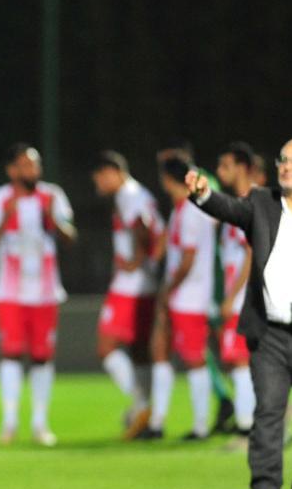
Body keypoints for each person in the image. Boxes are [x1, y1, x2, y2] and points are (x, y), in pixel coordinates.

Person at [186, 138, 292, 489]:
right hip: (269, 332)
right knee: (266, 410)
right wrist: (203, 195)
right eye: (283, 159)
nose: (287, 166)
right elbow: (228, 208)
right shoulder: (261, 203)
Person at [0, 144, 76, 446]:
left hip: (46, 291)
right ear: (12, 170)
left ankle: (40, 423)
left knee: (42, 356)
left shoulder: (53, 195)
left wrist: (52, 219)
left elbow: (71, 237)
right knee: (10, 353)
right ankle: (9, 422)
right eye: (25, 165)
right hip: (10, 290)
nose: (32, 171)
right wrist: (7, 216)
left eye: (35, 165)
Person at [91, 150, 165, 438]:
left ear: (112, 172)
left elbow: (142, 226)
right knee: (139, 352)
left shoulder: (129, 194)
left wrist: (135, 259)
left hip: (130, 285)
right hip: (144, 284)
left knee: (106, 347)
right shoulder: (138, 193)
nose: (97, 183)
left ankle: (142, 405)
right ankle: (144, 410)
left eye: (99, 176)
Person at [144, 154, 217, 440]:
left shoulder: (190, 211)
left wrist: (167, 289)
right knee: (159, 350)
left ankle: (200, 425)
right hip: (180, 295)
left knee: (194, 358)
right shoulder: (182, 210)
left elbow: (188, 259)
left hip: (190, 296)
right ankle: (157, 421)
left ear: (167, 180)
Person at [214, 142, 258, 442]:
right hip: (241, 294)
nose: (220, 172)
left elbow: (251, 254)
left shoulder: (251, 202)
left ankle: (247, 426)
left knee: (239, 359)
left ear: (241, 167)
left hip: (245, 296)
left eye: (225, 165)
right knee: (236, 359)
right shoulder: (239, 203)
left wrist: (232, 297)